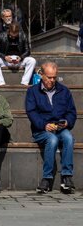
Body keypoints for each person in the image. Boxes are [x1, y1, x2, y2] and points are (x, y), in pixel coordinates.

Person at [25, 61, 77, 194]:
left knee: (69, 138)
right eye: (49, 77)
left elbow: (71, 111)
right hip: (41, 130)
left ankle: (67, 177)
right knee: (52, 140)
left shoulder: (64, 91)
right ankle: (47, 178)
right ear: (41, 75)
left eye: (54, 77)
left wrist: (67, 122)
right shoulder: (32, 91)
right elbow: (31, 112)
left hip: (60, 128)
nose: (52, 80)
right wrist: (44, 125)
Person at [0, 22, 36, 87]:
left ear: (18, 32)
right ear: (9, 31)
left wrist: (21, 57)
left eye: (15, 36)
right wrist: (5, 57)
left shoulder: (23, 35)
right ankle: (0, 82)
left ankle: (25, 82)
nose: (13, 37)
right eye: (11, 35)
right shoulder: (2, 35)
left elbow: (27, 51)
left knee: (32, 60)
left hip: (19, 60)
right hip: (6, 60)